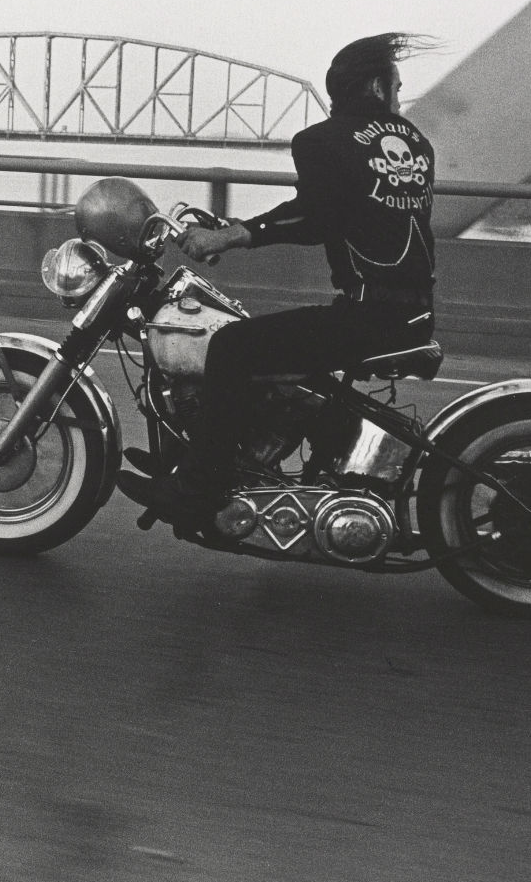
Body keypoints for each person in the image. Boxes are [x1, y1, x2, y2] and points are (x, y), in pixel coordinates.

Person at [119, 32, 440, 521]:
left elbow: (316, 218)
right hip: (409, 309)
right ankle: (203, 456)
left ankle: (200, 488)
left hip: (369, 313)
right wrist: (236, 230)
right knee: (269, 348)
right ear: (376, 87)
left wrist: (230, 237)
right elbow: (354, 213)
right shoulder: (415, 144)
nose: (399, 95)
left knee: (231, 346)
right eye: (396, 84)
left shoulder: (323, 141)